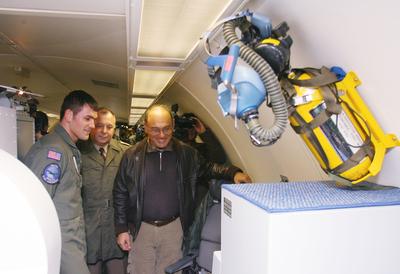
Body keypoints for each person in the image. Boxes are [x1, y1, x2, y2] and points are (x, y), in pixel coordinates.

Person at [113, 104, 252, 274]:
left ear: (172, 127)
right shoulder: (131, 156)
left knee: (171, 271)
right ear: (146, 128)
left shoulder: (187, 153)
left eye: (166, 129)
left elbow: (208, 168)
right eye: (156, 130)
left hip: (174, 228)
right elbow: (120, 192)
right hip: (141, 229)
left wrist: (233, 173)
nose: (162, 135)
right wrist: (121, 229)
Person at [23, 90, 98, 274]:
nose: (92, 125)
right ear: (69, 115)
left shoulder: (68, 149)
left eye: (93, 120)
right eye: (88, 118)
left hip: (70, 241)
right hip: (60, 243)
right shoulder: (53, 151)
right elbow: (35, 206)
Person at [78, 107, 129, 274]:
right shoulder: (78, 151)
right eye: (99, 125)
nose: (104, 131)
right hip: (88, 228)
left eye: (110, 127)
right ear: (92, 124)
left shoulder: (124, 152)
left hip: (115, 228)